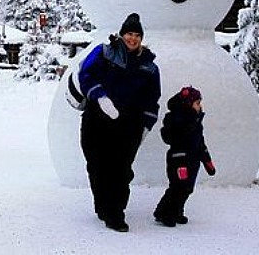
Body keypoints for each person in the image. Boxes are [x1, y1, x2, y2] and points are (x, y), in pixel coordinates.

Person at [78, 13, 161, 232]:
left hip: (128, 125)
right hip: (97, 119)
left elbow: (152, 98)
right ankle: (103, 205)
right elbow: (87, 75)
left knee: (121, 170)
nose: (132, 39)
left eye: (136, 35)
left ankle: (116, 214)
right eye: (129, 34)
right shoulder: (105, 53)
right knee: (97, 165)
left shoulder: (149, 66)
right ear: (122, 34)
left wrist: (146, 125)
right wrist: (101, 97)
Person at [153, 86, 216, 227]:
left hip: (193, 160)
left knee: (187, 188)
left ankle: (177, 212)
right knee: (177, 187)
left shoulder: (196, 121)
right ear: (188, 104)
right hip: (179, 160)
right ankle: (164, 213)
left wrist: (207, 160)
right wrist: (181, 163)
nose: (200, 106)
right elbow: (173, 140)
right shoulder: (177, 119)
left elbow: (200, 142)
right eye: (197, 103)